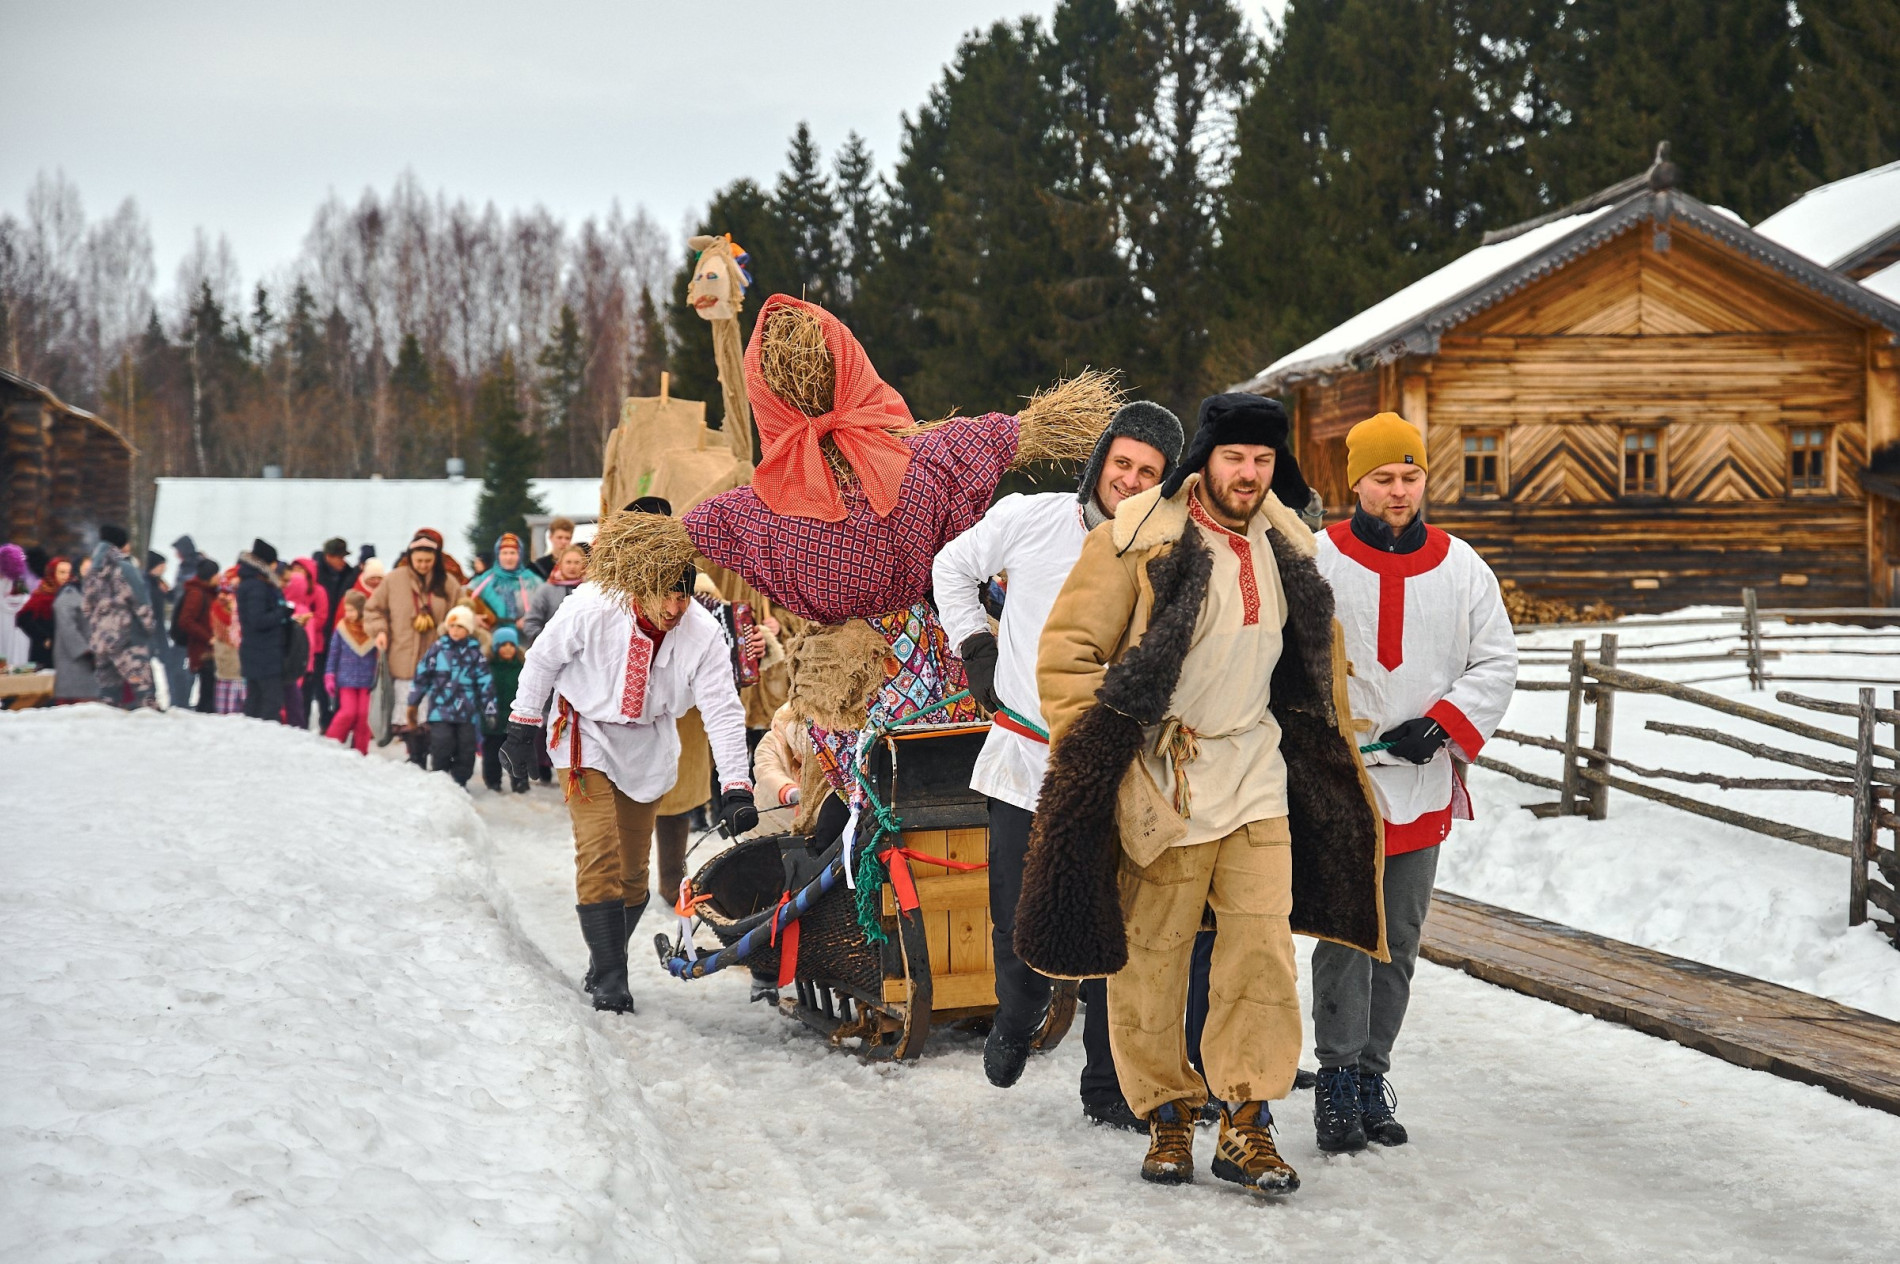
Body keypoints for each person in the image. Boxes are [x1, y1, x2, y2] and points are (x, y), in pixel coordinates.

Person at [1021, 393, 1386, 1199]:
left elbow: (1312, 663)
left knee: (1261, 952)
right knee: (1153, 957)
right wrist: (1111, 751)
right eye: (1234, 459)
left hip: (1256, 771)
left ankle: (1248, 1122)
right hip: (1167, 777)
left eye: (1262, 461)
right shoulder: (1140, 539)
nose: (1248, 474)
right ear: (1206, 462)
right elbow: (1067, 658)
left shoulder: (1289, 542)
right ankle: (1167, 1115)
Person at [933, 400, 1184, 1113]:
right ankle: (1018, 1016)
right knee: (1020, 919)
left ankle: (1107, 1086)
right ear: (1100, 459)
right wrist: (975, 647)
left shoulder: (1167, 550)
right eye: (1122, 463)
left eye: (1148, 473)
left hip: (1114, 765)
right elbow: (951, 567)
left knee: (1113, 927)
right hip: (1024, 754)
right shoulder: (1032, 517)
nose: (1129, 481)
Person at [1308, 412, 1516, 1152]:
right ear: (1355, 482)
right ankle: (1333, 1079)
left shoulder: (1462, 567)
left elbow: (1496, 661)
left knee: (1398, 936)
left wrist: (1444, 722)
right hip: (1342, 785)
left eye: (1410, 476)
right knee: (1345, 935)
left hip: (1422, 782)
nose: (1398, 492)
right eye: (1383, 478)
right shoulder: (1317, 559)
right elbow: (1284, 656)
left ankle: (1371, 1074)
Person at [500, 510, 756, 1015]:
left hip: (648, 743)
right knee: (598, 854)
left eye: (684, 594)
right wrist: (522, 723)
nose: (676, 606)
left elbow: (724, 709)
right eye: (666, 594)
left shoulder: (702, 633)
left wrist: (737, 786)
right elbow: (543, 658)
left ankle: (603, 958)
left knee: (634, 877)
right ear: (641, 586)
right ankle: (612, 979)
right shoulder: (592, 606)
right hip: (585, 735)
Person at [363, 530, 464, 764]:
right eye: (418, 560)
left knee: (431, 712)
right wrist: (380, 631)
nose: (423, 565)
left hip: (438, 656)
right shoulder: (393, 580)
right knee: (408, 709)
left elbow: (462, 610)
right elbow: (373, 609)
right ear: (410, 557)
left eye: (428, 561)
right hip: (402, 655)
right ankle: (415, 755)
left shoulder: (448, 582)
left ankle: (429, 752)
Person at [408, 605, 495, 787]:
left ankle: (460, 782)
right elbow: (421, 675)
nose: (455, 631)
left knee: (466, 749)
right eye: (452, 626)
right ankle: (440, 781)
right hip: (441, 710)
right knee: (441, 744)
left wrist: (490, 708)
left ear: (468, 630)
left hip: (467, 712)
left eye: (460, 627)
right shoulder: (437, 649)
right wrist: (413, 702)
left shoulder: (474, 653)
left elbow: (485, 682)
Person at [81, 525, 157, 709]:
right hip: (127, 636)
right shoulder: (124, 568)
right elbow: (140, 600)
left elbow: (86, 606)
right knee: (144, 690)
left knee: (109, 693)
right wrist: (149, 628)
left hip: (101, 638)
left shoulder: (93, 570)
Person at [236, 540, 291, 723]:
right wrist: (282, 612)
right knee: (269, 701)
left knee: (256, 699)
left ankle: (253, 737)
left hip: (258, 651)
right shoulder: (256, 587)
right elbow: (257, 620)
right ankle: (265, 739)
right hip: (262, 652)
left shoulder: (253, 583)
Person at [310, 538, 359, 728]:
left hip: (341, 633)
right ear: (328, 556)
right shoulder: (317, 573)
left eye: (344, 557)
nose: (342, 561)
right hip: (322, 635)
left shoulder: (348, 573)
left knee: (340, 677)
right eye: (339, 557)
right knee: (321, 678)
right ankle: (325, 717)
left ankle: (338, 716)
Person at [324, 589, 379, 753]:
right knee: (348, 712)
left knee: (363, 715)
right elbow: (333, 653)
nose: (348, 614)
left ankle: (360, 750)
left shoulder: (372, 631)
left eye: (351, 610)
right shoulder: (342, 629)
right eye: (346, 610)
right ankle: (331, 742)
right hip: (346, 679)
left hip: (367, 680)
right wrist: (330, 675)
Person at [481, 626, 528, 792]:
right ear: (496, 647)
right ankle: (493, 782)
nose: (508, 648)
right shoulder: (488, 668)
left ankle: (520, 782)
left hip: (516, 719)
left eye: (511, 644)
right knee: (492, 753)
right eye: (503, 644)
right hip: (493, 719)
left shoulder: (523, 668)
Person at [466, 532, 543, 633]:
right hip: (491, 638)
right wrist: (473, 617)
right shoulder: (482, 582)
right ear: (498, 555)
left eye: (513, 553)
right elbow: (463, 605)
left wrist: (530, 620)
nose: (508, 558)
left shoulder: (534, 582)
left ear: (520, 555)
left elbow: (545, 607)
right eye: (504, 553)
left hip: (525, 639)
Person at [174, 557, 221, 711]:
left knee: (209, 690)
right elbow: (186, 621)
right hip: (203, 651)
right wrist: (209, 638)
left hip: (207, 649)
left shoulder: (208, 592)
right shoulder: (196, 593)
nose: (219, 577)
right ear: (209, 576)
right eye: (216, 574)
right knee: (208, 690)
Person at [520, 544, 586, 644]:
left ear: (583, 565)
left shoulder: (588, 591)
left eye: (577, 562)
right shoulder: (546, 590)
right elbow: (531, 622)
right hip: (550, 650)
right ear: (560, 564)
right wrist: (545, 641)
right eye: (568, 562)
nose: (572, 567)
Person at [19, 554, 71, 667]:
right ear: (52, 573)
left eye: (68, 572)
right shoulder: (42, 596)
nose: (66, 576)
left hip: (66, 654)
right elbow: (22, 618)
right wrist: (43, 639)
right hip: (45, 655)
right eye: (62, 572)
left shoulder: (72, 594)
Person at [52, 566, 95, 702]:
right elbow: (68, 628)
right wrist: (85, 651)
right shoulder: (69, 594)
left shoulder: (91, 592)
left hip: (91, 656)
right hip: (75, 657)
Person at [210, 567, 247, 714]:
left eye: (228, 593)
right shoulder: (217, 610)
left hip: (241, 665)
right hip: (225, 664)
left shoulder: (241, 610)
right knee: (225, 709)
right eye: (221, 592)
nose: (223, 597)